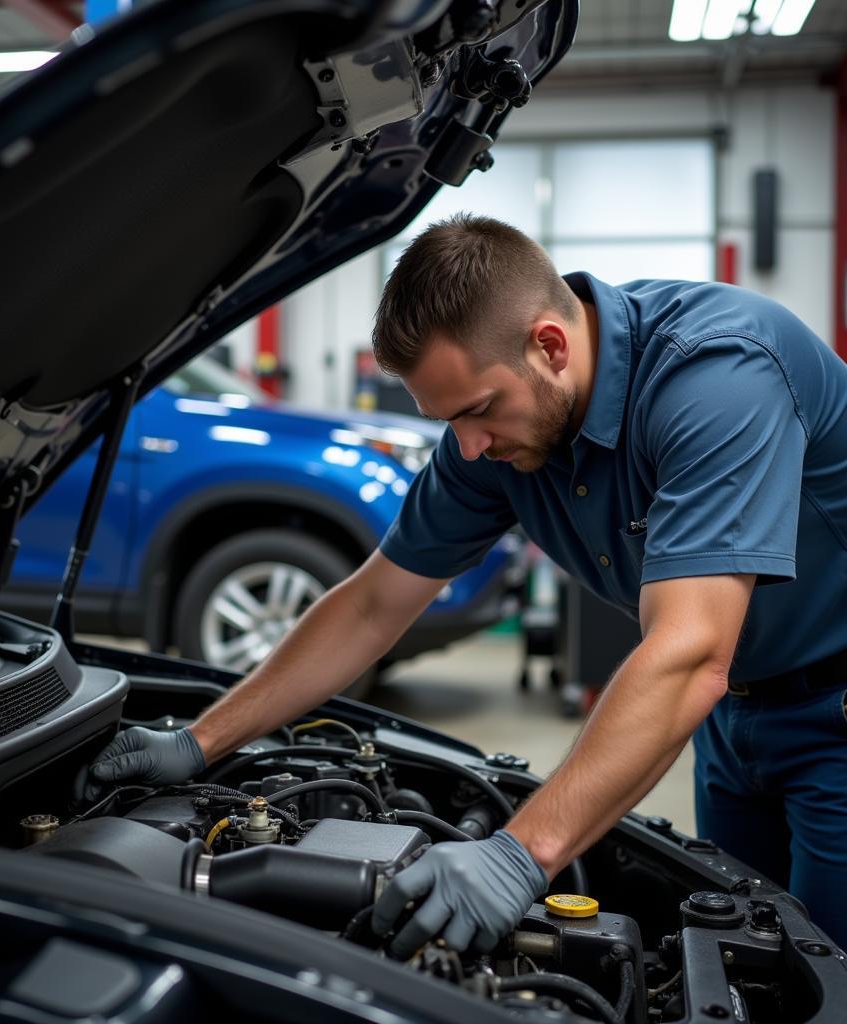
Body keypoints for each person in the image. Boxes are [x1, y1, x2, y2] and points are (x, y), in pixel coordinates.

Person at [83, 215, 847, 951]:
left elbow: (688, 653)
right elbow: (372, 603)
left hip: (832, 711)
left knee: (830, 966)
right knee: (745, 952)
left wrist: (521, 854)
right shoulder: (488, 438)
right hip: (731, 723)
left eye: (480, 411)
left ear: (550, 345)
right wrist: (198, 740)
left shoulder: (715, 376)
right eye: (449, 420)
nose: (470, 446)